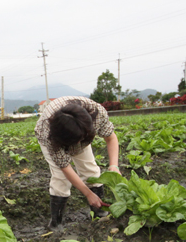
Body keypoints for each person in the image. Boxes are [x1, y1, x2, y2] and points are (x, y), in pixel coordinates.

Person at [34, 96, 121, 228]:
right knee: (61, 178)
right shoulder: (49, 134)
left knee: (90, 170)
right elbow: (65, 167)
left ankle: (100, 213)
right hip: (56, 138)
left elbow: (111, 138)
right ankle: (56, 224)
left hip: (78, 132)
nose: (78, 145)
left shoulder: (97, 114)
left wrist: (114, 165)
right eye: (76, 142)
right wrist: (87, 194)